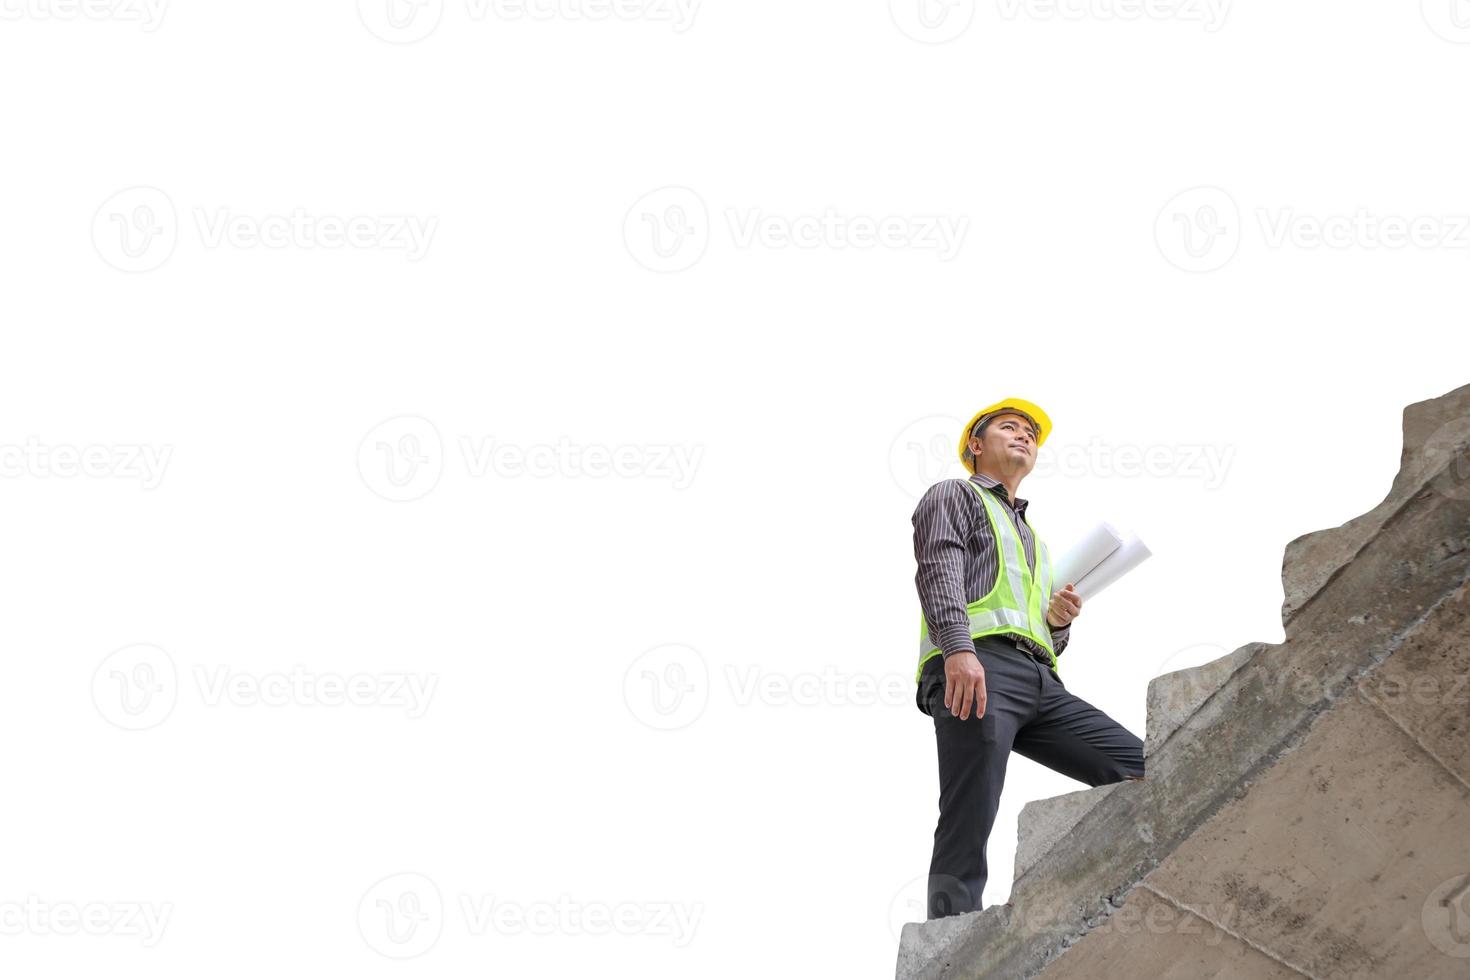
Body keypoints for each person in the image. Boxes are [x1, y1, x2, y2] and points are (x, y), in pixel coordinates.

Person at [913, 398, 1145, 920]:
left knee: (1143, 767)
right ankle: (948, 943)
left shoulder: (1033, 540)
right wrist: (957, 649)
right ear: (976, 445)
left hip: (1040, 681)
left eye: (1030, 434)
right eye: (1009, 427)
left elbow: (1039, 631)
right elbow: (937, 570)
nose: (1024, 436)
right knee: (969, 815)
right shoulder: (956, 495)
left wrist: (1058, 623)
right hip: (975, 668)